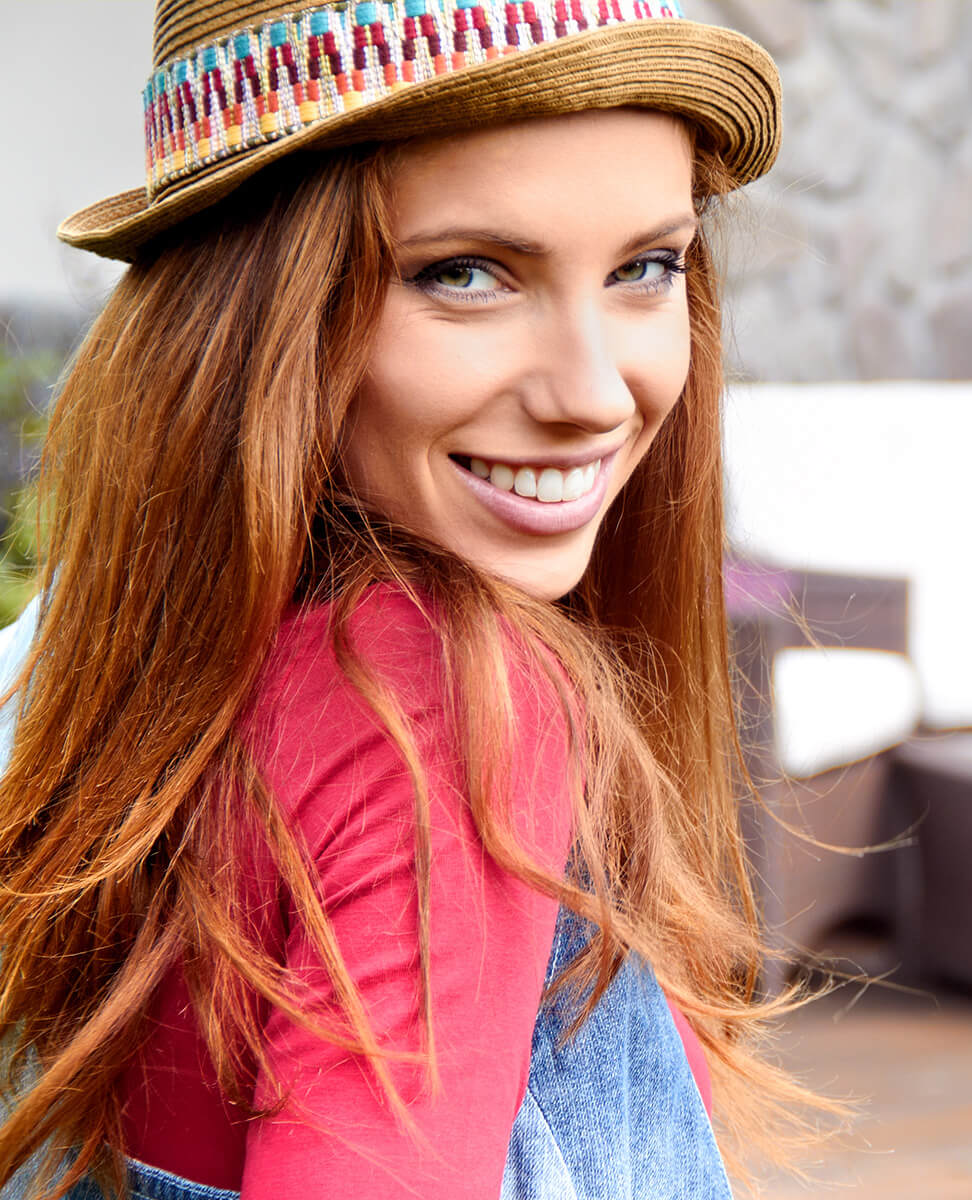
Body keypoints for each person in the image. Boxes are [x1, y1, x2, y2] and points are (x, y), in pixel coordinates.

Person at [0, 3, 828, 1197]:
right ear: (253, 310)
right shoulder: (441, 705)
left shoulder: (78, 648)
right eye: (467, 274)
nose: (595, 392)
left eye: (647, 266)